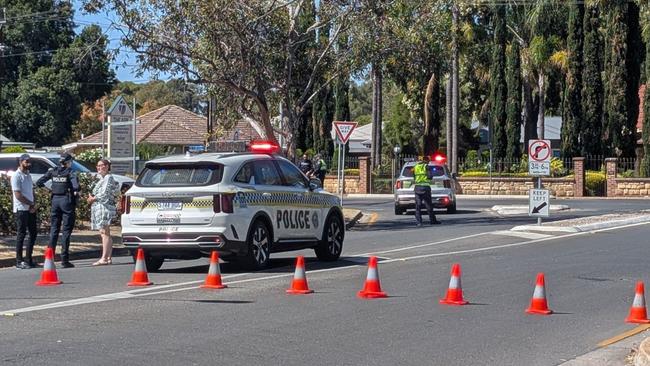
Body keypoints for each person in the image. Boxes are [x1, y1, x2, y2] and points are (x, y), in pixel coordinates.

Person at [36, 152, 80, 268]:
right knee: (66, 231)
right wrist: (75, 191)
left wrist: (49, 189)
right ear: (68, 162)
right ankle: (64, 260)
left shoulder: (53, 171)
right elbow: (76, 186)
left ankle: (49, 258)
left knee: (54, 230)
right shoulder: (70, 172)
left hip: (55, 200)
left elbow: (39, 182)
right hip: (66, 201)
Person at [88, 159, 120, 266]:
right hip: (99, 207)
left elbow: (104, 193)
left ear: (107, 166)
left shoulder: (108, 177)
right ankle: (108, 257)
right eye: (97, 166)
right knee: (105, 233)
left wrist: (94, 198)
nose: (99, 168)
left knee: (104, 233)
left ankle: (104, 258)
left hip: (104, 207)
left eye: (101, 165)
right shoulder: (100, 178)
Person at [11, 154, 38, 269]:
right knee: (21, 234)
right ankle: (19, 260)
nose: (29, 164)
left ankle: (28, 259)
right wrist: (30, 203)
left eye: (29, 162)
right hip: (21, 209)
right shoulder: (16, 176)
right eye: (26, 162)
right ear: (21, 162)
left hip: (30, 208)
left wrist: (34, 204)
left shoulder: (28, 175)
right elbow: (18, 195)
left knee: (33, 233)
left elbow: (31, 191)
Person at [413, 155, 440, 226]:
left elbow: (414, 176)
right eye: (428, 161)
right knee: (428, 205)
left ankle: (419, 222)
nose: (428, 162)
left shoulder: (415, 167)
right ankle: (432, 220)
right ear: (425, 160)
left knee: (418, 206)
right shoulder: (426, 166)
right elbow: (430, 176)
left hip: (417, 188)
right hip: (425, 188)